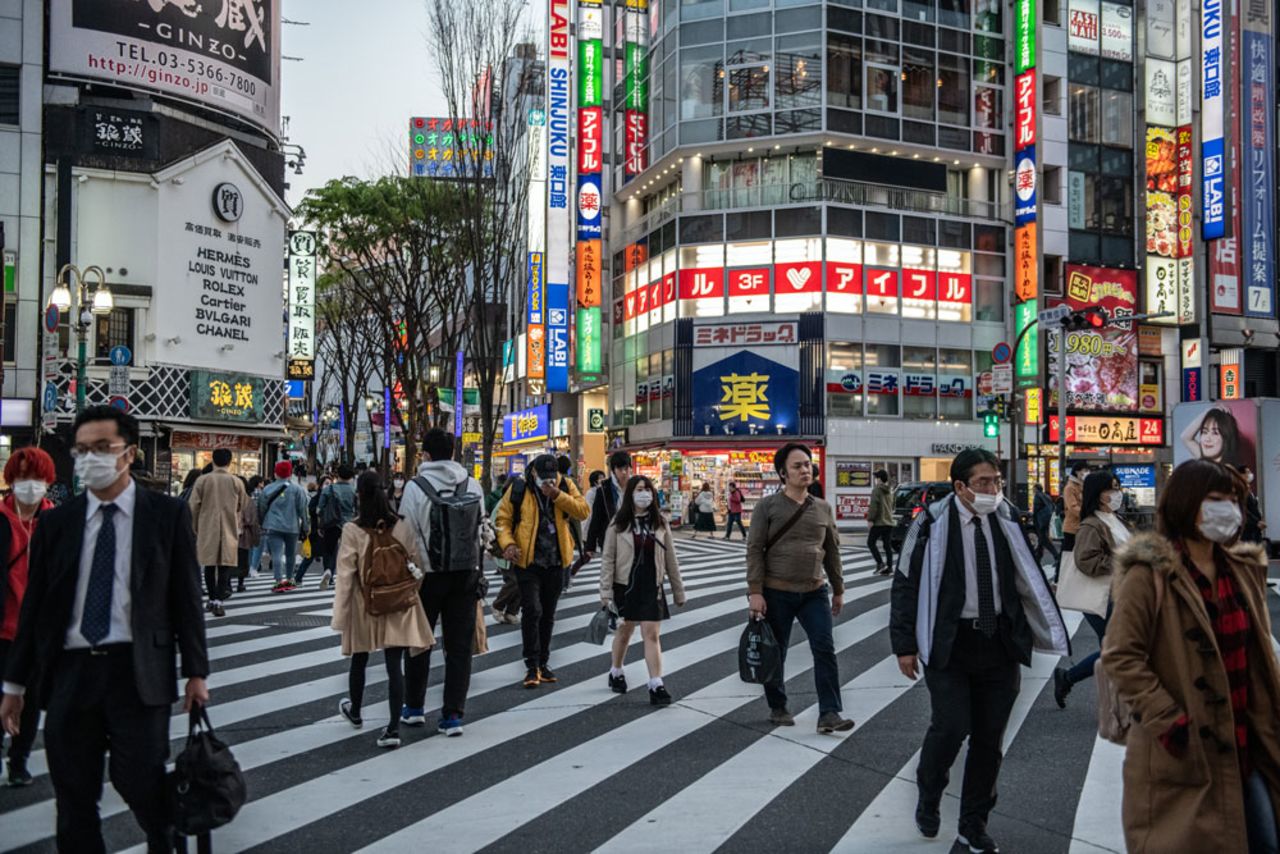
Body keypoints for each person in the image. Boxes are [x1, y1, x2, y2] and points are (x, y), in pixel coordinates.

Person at [0, 405, 209, 852]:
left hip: (137, 673)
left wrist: (197, 672)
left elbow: (187, 598)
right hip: (71, 675)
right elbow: (34, 608)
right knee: (74, 801)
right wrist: (15, 684)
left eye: (102, 448)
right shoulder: (58, 523)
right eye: (82, 450)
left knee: (144, 787)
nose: (90, 458)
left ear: (128, 453)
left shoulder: (165, 515)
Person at [890, 448, 1069, 853]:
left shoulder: (1006, 518)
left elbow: (1027, 570)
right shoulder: (931, 522)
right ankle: (930, 791)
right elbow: (904, 583)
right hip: (950, 644)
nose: (993, 489)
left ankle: (973, 823)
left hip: (999, 643)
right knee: (950, 727)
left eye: (997, 481)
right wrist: (904, 645)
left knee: (990, 739)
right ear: (960, 486)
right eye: (984, 483)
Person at [1102, 459, 1280, 854]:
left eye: (1233, 499)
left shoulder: (1241, 569)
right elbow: (1120, 655)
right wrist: (1169, 719)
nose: (1229, 509)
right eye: (1216, 499)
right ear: (1187, 503)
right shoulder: (1148, 575)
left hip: (1247, 743)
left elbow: (1260, 652)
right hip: (1185, 750)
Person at [746, 443, 854, 734]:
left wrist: (839, 588)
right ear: (783, 473)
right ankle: (778, 705)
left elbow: (832, 550)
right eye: (797, 466)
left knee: (824, 648)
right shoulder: (767, 507)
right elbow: (754, 549)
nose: (805, 469)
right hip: (775, 591)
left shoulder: (822, 507)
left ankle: (829, 712)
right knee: (775, 651)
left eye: (807, 464)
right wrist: (755, 591)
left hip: (814, 591)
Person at [332, 470, 434, 750]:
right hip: (397, 602)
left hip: (365, 603)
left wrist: (340, 615)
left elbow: (345, 576)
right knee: (394, 666)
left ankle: (355, 712)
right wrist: (408, 592)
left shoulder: (353, 529)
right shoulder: (401, 525)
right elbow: (417, 565)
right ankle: (391, 728)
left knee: (359, 659)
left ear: (360, 495)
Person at [398, 429, 487, 736]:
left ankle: (414, 707)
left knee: (419, 641)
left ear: (424, 454)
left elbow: (404, 533)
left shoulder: (415, 487)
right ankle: (453, 715)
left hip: (426, 577)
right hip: (465, 573)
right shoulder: (471, 484)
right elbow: (482, 531)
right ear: (453, 452)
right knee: (459, 646)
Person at [495, 453, 590, 688]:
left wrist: (558, 495)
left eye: (552, 477)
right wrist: (507, 543)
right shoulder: (519, 488)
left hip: (557, 561)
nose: (548, 482)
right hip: (527, 561)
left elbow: (582, 510)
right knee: (532, 610)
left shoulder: (565, 485)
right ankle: (531, 665)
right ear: (534, 472)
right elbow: (503, 519)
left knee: (548, 613)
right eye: (544, 478)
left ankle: (543, 663)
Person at [600, 475, 686, 705]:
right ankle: (616, 670)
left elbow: (671, 558)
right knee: (625, 632)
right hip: (624, 586)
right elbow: (608, 559)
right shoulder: (618, 524)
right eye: (639, 489)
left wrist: (678, 591)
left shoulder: (660, 522)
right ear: (630, 494)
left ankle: (656, 683)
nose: (644, 493)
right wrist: (605, 592)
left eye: (648, 489)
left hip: (652, 585)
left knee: (652, 634)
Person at [0, 447, 56, 786]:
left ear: (48, 481)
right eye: (22, 478)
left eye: (36, 478)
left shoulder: (56, 523)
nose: (30, 485)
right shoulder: (2, 521)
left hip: (38, 633)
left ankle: (18, 760)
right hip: (3, 628)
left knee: (32, 701)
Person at [1052, 470, 1129, 708]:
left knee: (1115, 650)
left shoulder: (1115, 519)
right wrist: (1123, 562)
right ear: (1098, 493)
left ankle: (1068, 678)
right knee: (1119, 649)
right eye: (1111, 489)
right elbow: (1085, 560)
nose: (1117, 494)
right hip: (1103, 597)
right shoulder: (1092, 524)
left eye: (1117, 488)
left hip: (1119, 594)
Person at [188, 447, 248, 618]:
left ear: (213, 460)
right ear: (230, 462)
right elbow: (243, 505)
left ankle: (212, 598)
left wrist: (194, 526)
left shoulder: (203, 480)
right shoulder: (236, 482)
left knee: (209, 565)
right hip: (229, 527)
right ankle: (219, 601)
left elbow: (193, 506)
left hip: (207, 526)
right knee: (224, 566)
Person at [258, 460, 310, 593]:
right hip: (292, 526)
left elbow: (262, 507)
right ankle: (290, 578)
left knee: (276, 553)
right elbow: (302, 509)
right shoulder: (298, 489)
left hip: (273, 525)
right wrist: (305, 525)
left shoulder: (268, 488)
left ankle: (278, 580)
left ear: (276, 473)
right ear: (290, 473)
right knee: (291, 554)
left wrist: (262, 522)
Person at [316, 465, 357, 590]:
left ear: (337, 475)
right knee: (348, 551)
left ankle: (328, 570)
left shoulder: (329, 489)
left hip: (332, 523)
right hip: (349, 524)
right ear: (350, 477)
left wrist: (320, 524)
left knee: (330, 550)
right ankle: (348, 576)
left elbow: (320, 508)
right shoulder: (353, 491)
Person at [585, 451, 632, 556]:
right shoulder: (604, 490)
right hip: (610, 540)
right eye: (620, 469)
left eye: (626, 468)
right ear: (613, 470)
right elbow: (596, 518)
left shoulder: (636, 486)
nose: (624, 472)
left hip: (632, 538)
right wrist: (590, 545)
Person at [294, 477, 327, 584]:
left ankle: (329, 578)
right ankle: (298, 577)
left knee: (329, 555)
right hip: (316, 531)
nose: (328, 485)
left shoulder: (331, 496)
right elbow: (311, 512)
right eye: (326, 483)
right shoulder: (316, 498)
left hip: (328, 530)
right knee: (310, 556)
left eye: (330, 483)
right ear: (320, 485)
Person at [235, 475, 261, 594]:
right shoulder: (248, 500)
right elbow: (252, 521)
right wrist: (256, 538)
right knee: (243, 559)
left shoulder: (228, 499)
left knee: (230, 560)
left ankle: (227, 583)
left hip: (229, 534)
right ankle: (240, 583)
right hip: (243, 535)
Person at [867, 470, 896, 576]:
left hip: (879, 522)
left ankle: (880, 563)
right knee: (887, 545)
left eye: (876, 477)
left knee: (870, 543)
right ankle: (889, 567)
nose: (875, 480)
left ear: (879, 479)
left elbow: (874, 506)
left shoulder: (877, 490)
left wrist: (870, 519)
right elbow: (893, 506)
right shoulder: (890, 491)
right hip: (889, 522)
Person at [1032, 483, 1061, 566]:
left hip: (1041, 520)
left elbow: (1036, 510)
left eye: (1033, 488)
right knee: (1042, 539)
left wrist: (1034, 521)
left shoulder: (1037, 496)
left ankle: (1056, 557)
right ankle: (1038, 558)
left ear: (1036, 489)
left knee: (1043, 539)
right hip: (1047, 520)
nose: (1033, 490)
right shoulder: (1046, 496)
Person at [1239, 465, 1266, 544]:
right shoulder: (1241, 490)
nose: (1250, 474)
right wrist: (1256, 522)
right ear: (1241, 475)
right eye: (1247, 472)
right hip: (1248, 530)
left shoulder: (1248, 489)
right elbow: (1243, 509)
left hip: (1255, 530)